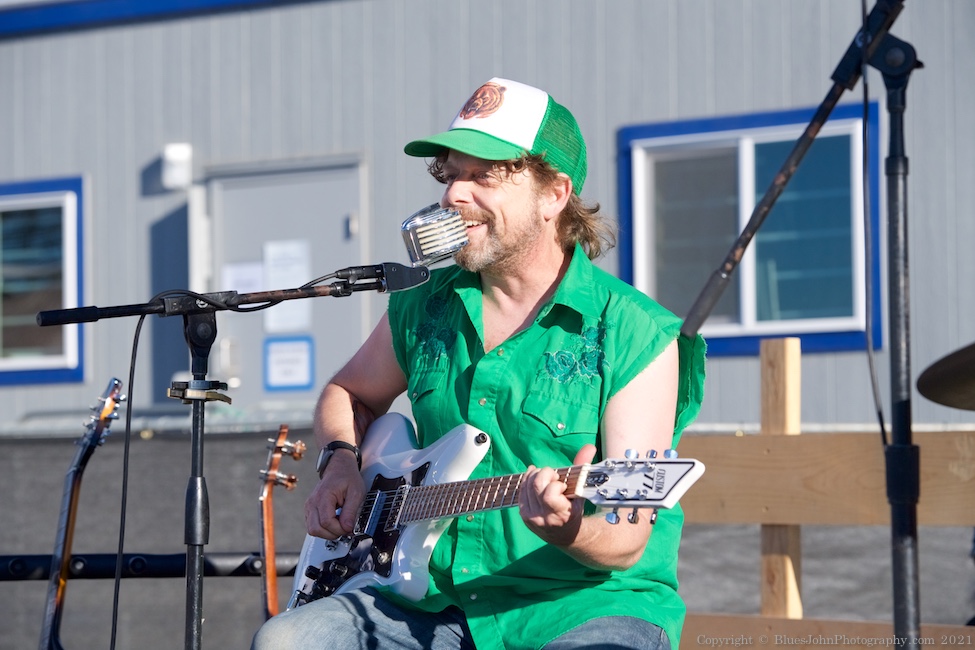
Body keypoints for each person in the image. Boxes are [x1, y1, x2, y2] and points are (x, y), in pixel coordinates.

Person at [252, 77, 706, 650]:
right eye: (450, 174)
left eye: (482, 175)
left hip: (585, 604)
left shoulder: (635, 331)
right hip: (429, 598)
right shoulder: (424, 302)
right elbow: (349, 391)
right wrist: (341, 462)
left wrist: (570, 530)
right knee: (287, 642)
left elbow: (627, 539)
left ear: (554, 194)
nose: (453, 196)